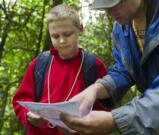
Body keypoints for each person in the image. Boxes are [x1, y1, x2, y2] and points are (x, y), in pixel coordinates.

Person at [60, 0, 159, 135]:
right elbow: (124, 70)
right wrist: (95, 89)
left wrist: (117, 121)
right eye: (105, 7)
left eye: (115, 4)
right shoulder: (121, 28)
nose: (109, 12)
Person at [12, 4, 108, 135]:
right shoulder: (40, 64)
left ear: (80, 29)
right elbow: (21, 100)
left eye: (67, 34)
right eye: (55, 36)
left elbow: (104, 111)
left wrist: (80, 127)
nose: (62, 40)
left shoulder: (94, 66)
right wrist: (29, 116)